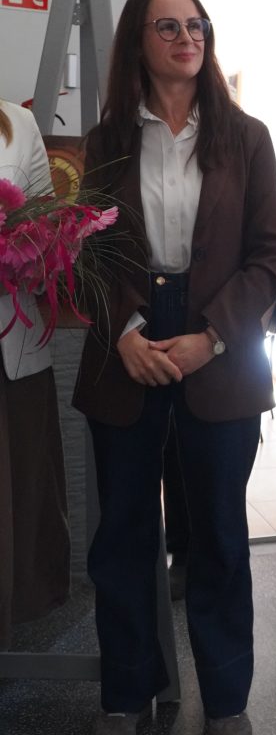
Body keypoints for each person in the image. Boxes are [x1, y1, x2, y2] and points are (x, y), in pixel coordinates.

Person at [73, 0, 276, 735]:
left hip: (219, 342)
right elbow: (88, 250)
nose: (186, 38)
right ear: (138, 40)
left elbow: (269, 258)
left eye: (196, 25)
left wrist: (211, 336)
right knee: (125, 534)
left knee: (220, 535)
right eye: (167, 26)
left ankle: (226, 701)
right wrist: (126, 331)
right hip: (127, 340)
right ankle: (126, 693)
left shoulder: (246, 137)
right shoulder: (107, 140)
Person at [0, 99, 71, 651]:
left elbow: (50, 231)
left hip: (13, 350)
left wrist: (28, 252)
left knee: (19, 497)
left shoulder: (17, 125)